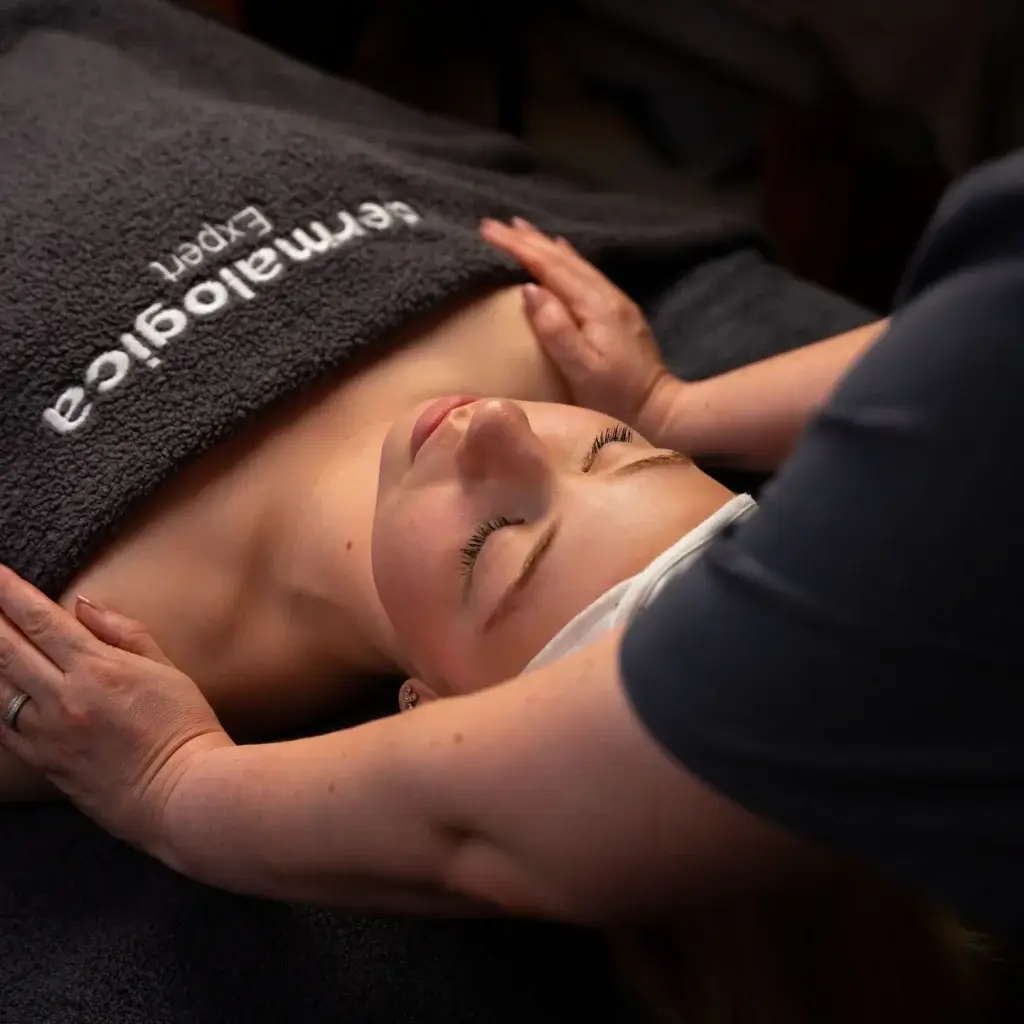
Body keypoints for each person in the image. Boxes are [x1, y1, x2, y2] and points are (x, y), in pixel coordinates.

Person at [2, 150, 1022, 1016]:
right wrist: (674, 405)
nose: (495, 422)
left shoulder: (67, 641)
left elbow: (487, 829)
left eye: (491, 544)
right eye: (614, 450)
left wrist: (174, 781)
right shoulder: (529, 340)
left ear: (428, 716)